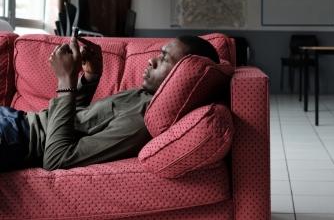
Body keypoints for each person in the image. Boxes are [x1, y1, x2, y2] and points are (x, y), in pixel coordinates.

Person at [0, 35, 219, 172]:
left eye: (163, 58)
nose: (151, 60)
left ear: (182, 76)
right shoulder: (146, 95)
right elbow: (80, 123)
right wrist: (89, 78)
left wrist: (65, 80)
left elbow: (57, 159)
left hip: (18, 137)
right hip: (16, 120)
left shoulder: (141, 121)